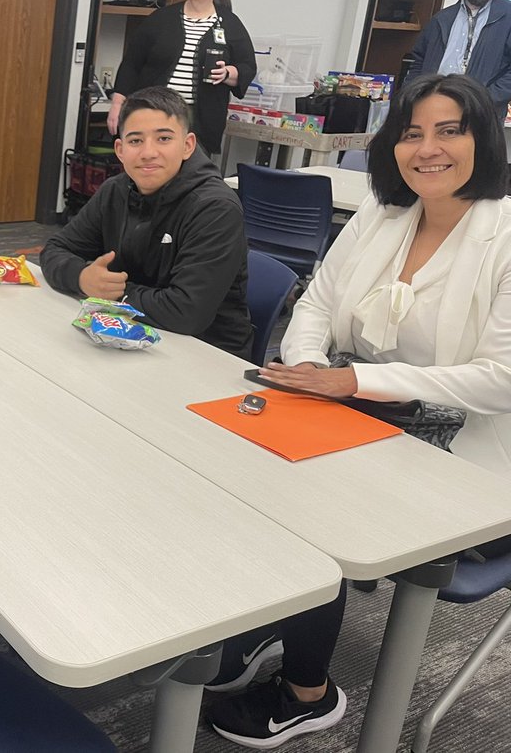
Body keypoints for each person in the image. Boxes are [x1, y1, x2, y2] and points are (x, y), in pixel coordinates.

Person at [205, 72, 511, 749]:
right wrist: (313, 364)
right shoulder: (383, 212)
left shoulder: (507, 234)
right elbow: (315, 302)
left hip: (471, 448)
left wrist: (359, 384)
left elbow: (502, 380)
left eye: (449, 130)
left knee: (313, 500)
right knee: (230, 449)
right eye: (411, 134)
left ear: (482, 139)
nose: (428, 149)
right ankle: (263, 618)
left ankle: (308, 691)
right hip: (359, 404)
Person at [40, 86, 252, 359]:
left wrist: (112, 293)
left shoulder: (215, 208)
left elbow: (186, 313)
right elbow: (55, 250)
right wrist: (83, 277)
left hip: (206, 354)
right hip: (127, 336)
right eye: (135, 141)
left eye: (164, 138)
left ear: (187, 145)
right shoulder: (115, 190)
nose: (148, 152)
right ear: (120, 149)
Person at [108, 0, 257, 158]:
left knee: (190, 177)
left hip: (200, 118)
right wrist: (117, 105)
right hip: (154, 112)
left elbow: (247, 66)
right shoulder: (161, 19)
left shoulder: (229, 23)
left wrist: (228, 72)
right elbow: (131, 63)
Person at [407, 0, 511, 117]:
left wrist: (484, 100)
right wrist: (414, 96)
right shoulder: (441, 19)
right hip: (433, 107)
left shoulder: (508, 17)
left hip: (481, 114)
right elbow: (417, 61)